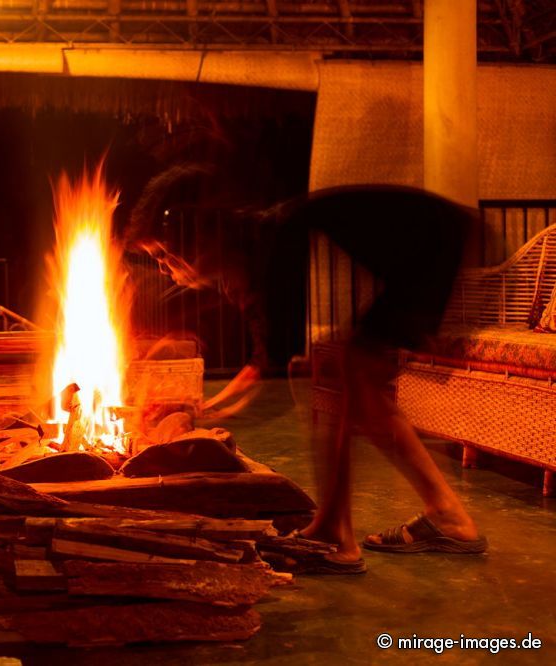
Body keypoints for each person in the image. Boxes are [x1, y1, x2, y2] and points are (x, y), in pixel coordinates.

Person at [135, 185, 488, 573]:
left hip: (436, 241)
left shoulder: (274, 245)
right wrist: (210, 406)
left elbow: (277, 373)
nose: (165, 267)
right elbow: (263, 360)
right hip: (432, 242)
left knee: (344, 371)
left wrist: (210, 419)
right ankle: (446, 515)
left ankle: (336, 534)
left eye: (169, 254)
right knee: (360, 383)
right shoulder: (257, 246)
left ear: (209, 239)